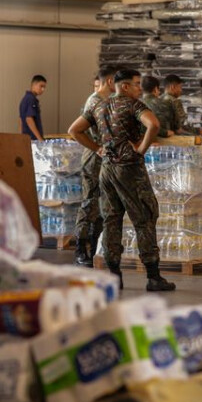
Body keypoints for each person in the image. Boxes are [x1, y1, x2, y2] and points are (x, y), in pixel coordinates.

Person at [67, 69, 176, 292]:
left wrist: (98, 148)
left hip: (106, 169)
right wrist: (141, 150)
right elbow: (153, 124)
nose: (140, 88)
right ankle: (153, 276)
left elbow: (74, 130)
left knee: (111, 220)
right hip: (129, 169)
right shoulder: (133, 105)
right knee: (144, 217)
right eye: (137, 84)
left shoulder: (98, 105)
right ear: (124, 86)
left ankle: (114, 275)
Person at [74, 65, 116, 267]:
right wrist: (97, 148)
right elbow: (77, 131)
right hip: (93, 161)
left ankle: (93, 247)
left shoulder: (107, 101)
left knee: (101, 207)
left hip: (104, 161)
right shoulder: (95, 101)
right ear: (110, 81)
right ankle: (81, 250)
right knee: (89, 204)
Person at [20, 75, 47, 141]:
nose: (43, 89)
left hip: (26, 138)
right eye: (41, 86)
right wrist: (40, 139)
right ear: (34, 84)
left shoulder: (25, 99)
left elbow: (21, 120)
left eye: (44, 87)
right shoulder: (31, 99)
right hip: (33, 139)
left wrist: (22, 136)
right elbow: (29, 119)